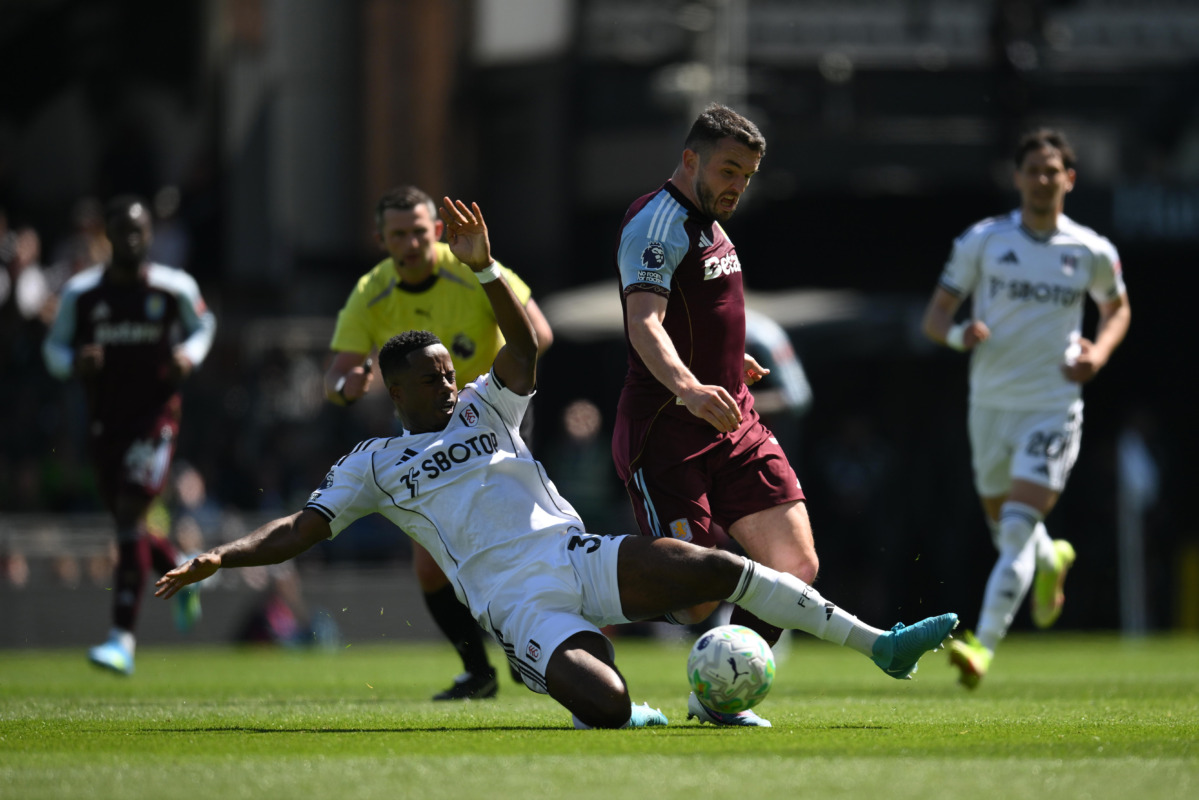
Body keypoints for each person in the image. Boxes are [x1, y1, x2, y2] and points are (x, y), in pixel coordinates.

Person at [157, 197, 959, 729]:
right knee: (609, 711)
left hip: (578, 558)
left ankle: (879, 645)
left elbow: (527, 346)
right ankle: (595, 690)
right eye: (431, 373)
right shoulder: (373, 463)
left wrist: (482, 269)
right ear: (395, 387)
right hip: (518, 606)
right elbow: (302, 529)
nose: (448, 376)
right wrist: (221, 557)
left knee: (712, 567)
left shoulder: (485, 403)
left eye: (448, 367)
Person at [611, 103, 825, 725]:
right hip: (666, 429)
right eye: (729, 170)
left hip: (732, 419)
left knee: (795, 568)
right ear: (689, 159)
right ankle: (578, 594)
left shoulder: (713, 223)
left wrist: (732, 364)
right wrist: (688, 386)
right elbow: (645, 321)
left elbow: (699, 315)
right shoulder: (656, 224)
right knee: (698, 597)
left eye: (748, 176)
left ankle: (717, 698)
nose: (738, 185)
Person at [322, 185, 554, 701]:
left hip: (493, 417)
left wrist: (482, 387)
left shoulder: (468, 269)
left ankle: (533, 642)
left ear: (437, 232)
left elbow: (539, 333)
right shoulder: (370, 291)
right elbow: (335, 378)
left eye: (420, 232)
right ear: (381, 239)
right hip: (428, 435)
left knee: (511, 535)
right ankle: (480, 670)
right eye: (398, 234)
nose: (411, 243)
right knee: (430, 564)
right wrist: (347, 388)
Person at [921, 128, 1131, 689]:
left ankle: (982, 649)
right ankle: (1051, 559)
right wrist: (962, 335)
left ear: (1070, 178)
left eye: (1052, 170)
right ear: (1017, 178)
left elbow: (1117, 309)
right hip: (990, 405)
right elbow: (935, 317)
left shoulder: (1089, 250)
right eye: (1033, 169)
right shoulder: (983, 241)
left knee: (1013, 531)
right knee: (1007, 532)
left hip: (1052, 405)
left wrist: (1099, 351)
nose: (1043, 179)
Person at [43, 195, 217, 675]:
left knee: (127, 516)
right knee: (131, 526)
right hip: (106, 421)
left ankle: (121, 638)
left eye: (140, 231)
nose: (133, 240)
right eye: (123, 232)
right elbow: (54, 347)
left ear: (150, 236)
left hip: (156, 417)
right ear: (108, 236)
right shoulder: (82, 294)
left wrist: (190, 355)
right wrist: (74, 363)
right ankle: (183, 564)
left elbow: (204, 324)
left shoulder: (173, 286)